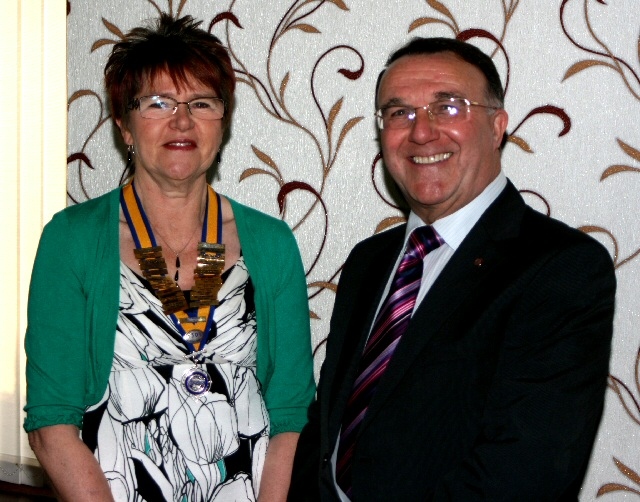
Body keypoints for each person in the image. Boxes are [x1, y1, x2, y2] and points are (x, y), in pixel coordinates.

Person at [288, 37, 616, 501]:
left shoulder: (561, 268)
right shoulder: (370, 261)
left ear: (497, 125)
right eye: (399, 113)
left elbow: (525, 472)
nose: (421, 132)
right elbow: (327, 431)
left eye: (449, 107)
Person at [24, 14, 315, 502]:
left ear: (221, 122)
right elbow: (52, 421)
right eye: (158, 102)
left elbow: (290, 412)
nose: (182, 121)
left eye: (201, 103)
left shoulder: (271, 241)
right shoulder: (71, 240)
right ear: (124, 123)